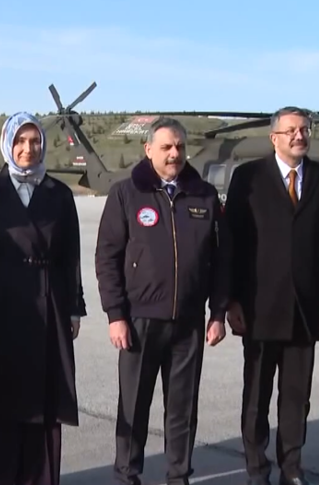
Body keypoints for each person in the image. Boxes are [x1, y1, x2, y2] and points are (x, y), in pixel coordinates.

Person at [95, 116, 231, 485]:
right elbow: (107, 257)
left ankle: (178, 476)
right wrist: (115, 315)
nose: (174, 154)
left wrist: (217, 313)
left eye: (180, 147)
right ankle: (127, 475)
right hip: (139, 321)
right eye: (167, 147)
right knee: (134, 406)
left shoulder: (204, 195)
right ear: (149, 149)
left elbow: (222, 260)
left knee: (182, 410)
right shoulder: (126, 194)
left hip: (188, 323)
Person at [0, 111, 86, 485]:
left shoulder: (59, 194)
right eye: (20, 141)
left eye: (35, 141)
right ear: (7, 144)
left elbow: (71, 255)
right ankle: (2, 474)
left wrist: (74, 307)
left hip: (49, 303)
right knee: (0, 392)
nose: (28, 149)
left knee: (44, 394)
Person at [224, 106, 319, 485]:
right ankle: (257, 469)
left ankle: (291, 468)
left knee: (296, 398)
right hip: (259, 307)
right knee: (256, 396)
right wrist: (231, 300)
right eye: (291, 130)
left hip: (305, 309)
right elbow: (231, 242)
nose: (299, 136)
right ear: (274, 138)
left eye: (304, 129)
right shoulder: (249, 177)